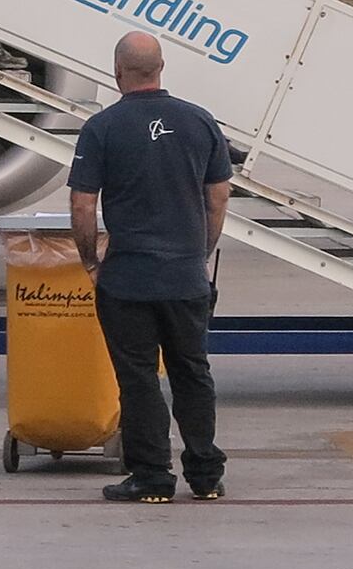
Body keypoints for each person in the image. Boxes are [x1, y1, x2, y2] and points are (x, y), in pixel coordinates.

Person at [67, 31, 232, 502]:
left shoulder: (102, 128)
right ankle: (205, 474)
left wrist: (90, 261)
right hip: (184, 275)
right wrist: (199, 252)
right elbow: (218, 195)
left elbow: (82, 205)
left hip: (129, 278)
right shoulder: (200, 121)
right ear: (162, 68)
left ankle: (153, 476)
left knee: (138, 377)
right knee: (192, 371)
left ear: (117, 71)